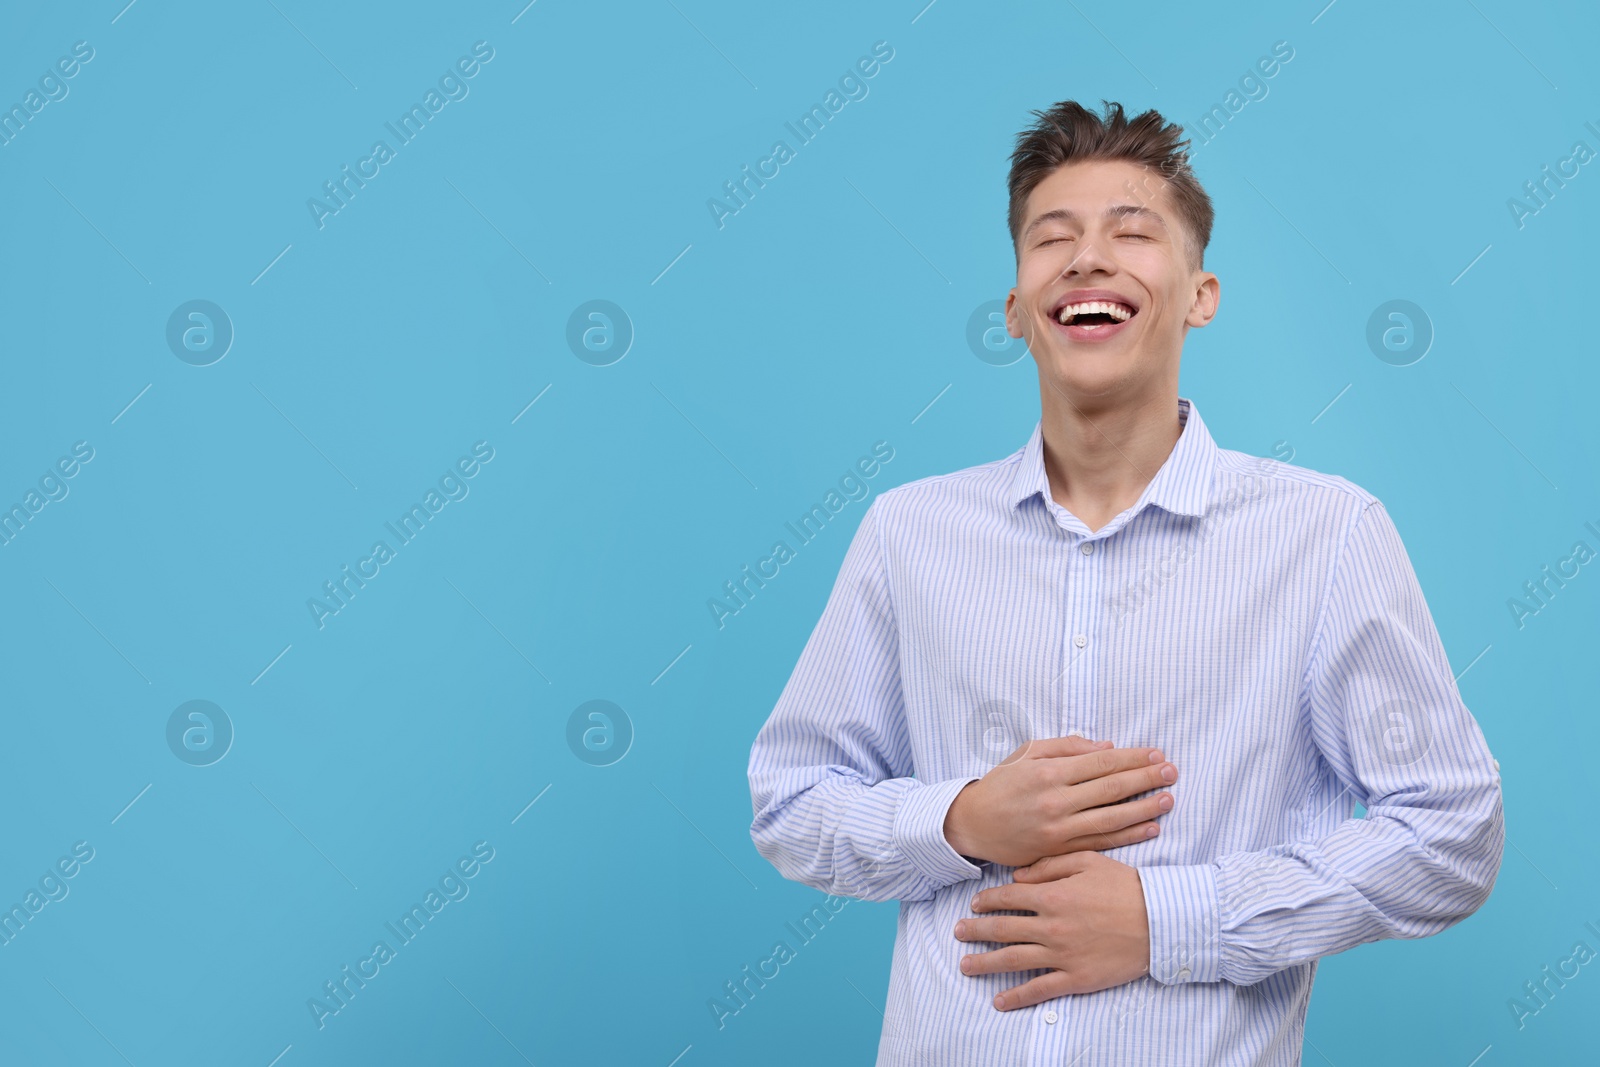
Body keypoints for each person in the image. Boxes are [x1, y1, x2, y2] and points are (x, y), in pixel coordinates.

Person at [745, 99, 1504, 1065]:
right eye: (1050, 239)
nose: (1087, 259)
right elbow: (792, 800)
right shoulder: (909, 532)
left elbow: (1451, 831)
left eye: (1132, 233)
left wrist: (1166, 918)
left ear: (1201, 293)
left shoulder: (1325, 535)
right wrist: (960, 818)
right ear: (1017, 308)